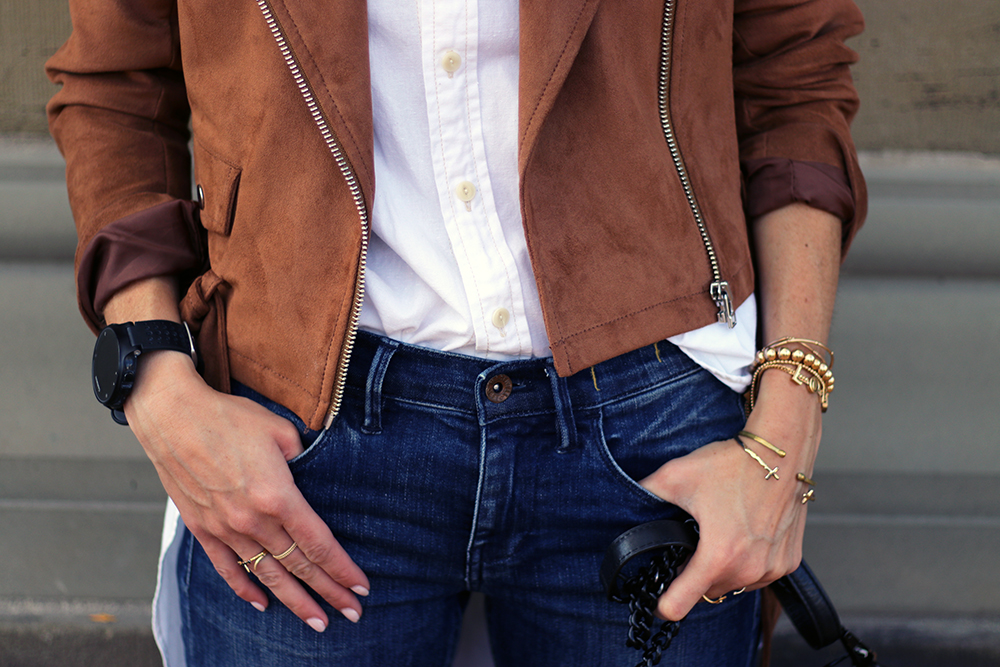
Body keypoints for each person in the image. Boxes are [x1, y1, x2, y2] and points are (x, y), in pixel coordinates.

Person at [47, 0, 866, 665]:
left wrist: (789, 424)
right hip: (306, 437)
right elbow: (117, 87)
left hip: (649, 426)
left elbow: (792, 78)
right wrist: (157, 385)